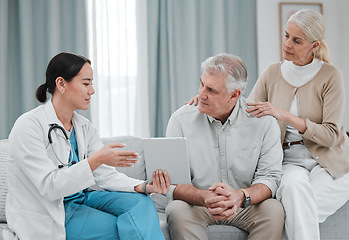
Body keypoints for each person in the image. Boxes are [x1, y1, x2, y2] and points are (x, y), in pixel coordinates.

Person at [5, 52, 170, 240]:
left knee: (141, 202)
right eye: (86, 83)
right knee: (125, 229)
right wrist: (96, 159)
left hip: (82, 199)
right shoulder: (28, 126)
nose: (92, 90)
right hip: (53, 211)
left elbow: (106, 176)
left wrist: (145, 186)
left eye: (92, 83)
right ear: (61, 84)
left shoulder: (84, 126)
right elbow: (49, 187)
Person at [247, 9, 349, 240]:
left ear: (314, 46)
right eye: (286, 36)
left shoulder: (331, 75)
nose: (287, 44)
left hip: (330, 160)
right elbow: (247, 115)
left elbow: (331, 135)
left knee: (297, 209)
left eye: (296, 40)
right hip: (289, 161)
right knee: (294, 191)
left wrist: (286, 116)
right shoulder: (272, 72)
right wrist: (208, 103)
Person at [166, 53, 285, 240]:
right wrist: (204, 197)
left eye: (211, 90)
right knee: (176, 209)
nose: (201, 94)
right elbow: (174, 182)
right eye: (202, 84)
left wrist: (240, 196)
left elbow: (270, 177)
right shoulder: (181, 120)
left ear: (235, 95)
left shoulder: (264, 123)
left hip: (244, 205)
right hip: (199, 205)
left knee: (273, 210)